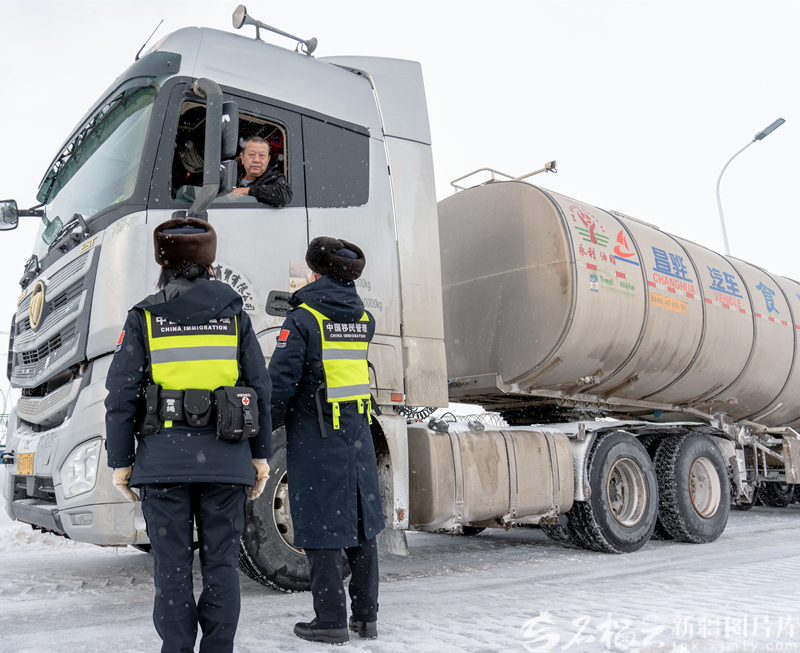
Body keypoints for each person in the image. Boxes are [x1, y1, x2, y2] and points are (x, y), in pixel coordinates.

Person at [104, 217, 272, 653]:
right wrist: (260, 455)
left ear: (163, 264)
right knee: (221, 565)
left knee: (172, 568)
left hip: (163, 463)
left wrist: (121, 461)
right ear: (209, 263)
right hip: (227, 460)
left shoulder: (144, 317)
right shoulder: (235, 316)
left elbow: (120, 394)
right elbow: (260, 387)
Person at [268, 237, 384, 645]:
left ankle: (331, 620)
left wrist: (263, 428)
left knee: (322, 526)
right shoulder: (364, 319)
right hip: (357, 433)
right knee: (361, 524)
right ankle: (366, 618)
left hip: (317, 435)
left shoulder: (304, 319)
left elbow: (281, 382)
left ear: (315, 273)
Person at [231, 135, 292, 206]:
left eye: (262, 155)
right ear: (242, 158)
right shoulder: (231, 177)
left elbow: (284, 196)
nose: (256, 160)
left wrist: (247, 191)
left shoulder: (273, 177)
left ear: (268, 159)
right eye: (252, 154)